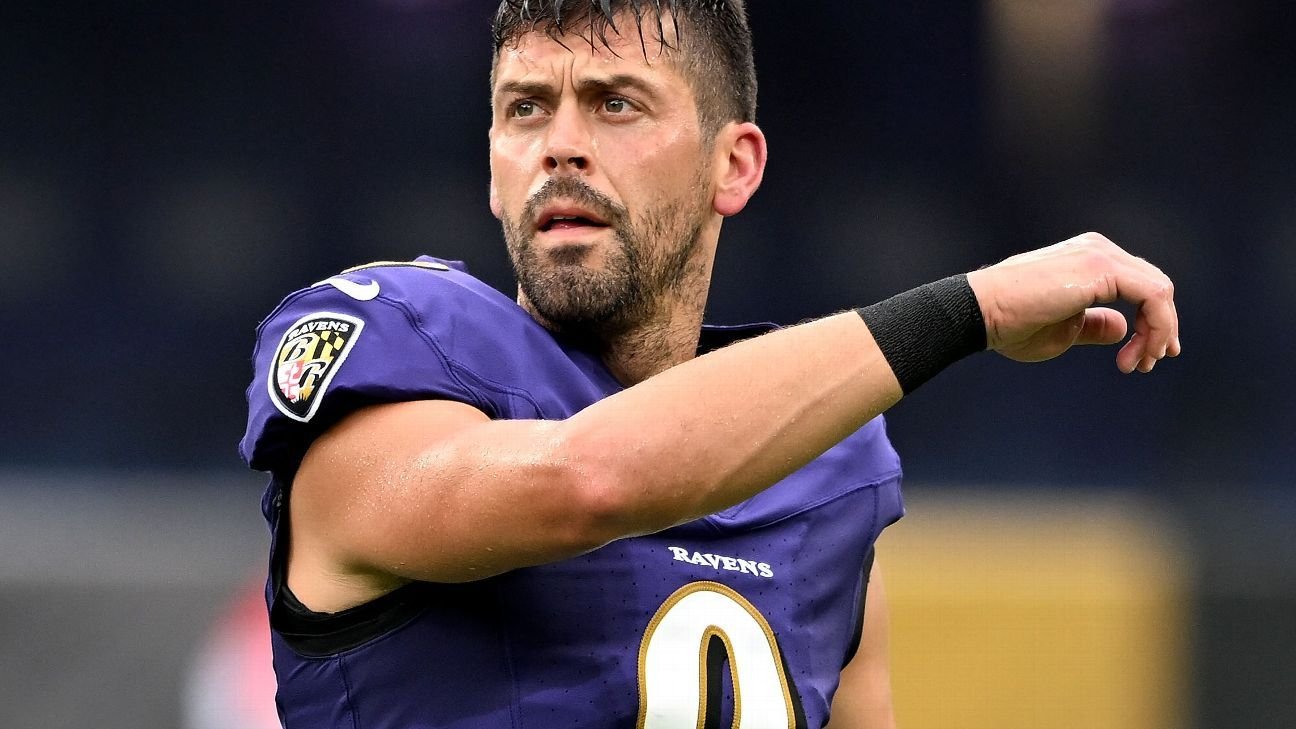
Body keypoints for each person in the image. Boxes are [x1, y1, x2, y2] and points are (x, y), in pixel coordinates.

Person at [239, 1, 1181, 727]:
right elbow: (589, 480)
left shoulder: (829, 469)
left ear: (735, 165)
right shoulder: (399, 346)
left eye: (615, 103)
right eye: (525, 108)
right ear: (492, 164)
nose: (560, 146)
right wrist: (972, 307)